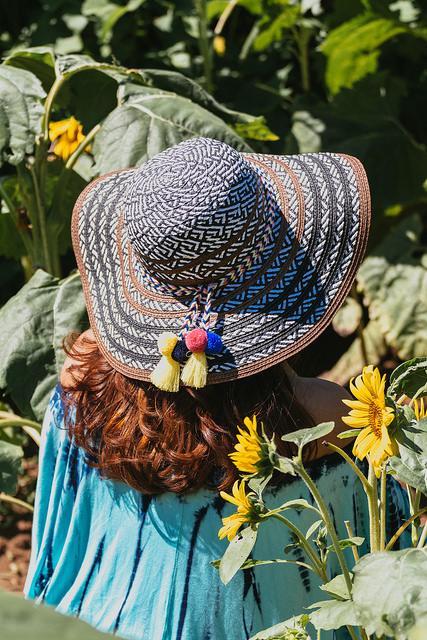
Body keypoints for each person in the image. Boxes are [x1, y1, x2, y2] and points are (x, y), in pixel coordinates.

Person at [24, 138, 408, 640]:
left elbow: (60, 544)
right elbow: (378, 563)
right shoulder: (325, 418)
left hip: (96, 624)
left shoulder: (83, 380)